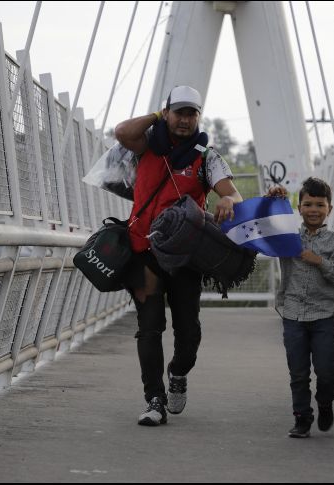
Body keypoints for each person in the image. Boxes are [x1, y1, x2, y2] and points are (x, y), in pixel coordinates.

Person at [114, 85, 243, 426]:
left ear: (199, 117)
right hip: (144, 253)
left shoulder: (206, 157)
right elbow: (122, 132)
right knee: (150, 326)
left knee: (189, 332)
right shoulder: (146, 147)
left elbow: (233, 194)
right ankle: (154, 399)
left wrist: (228, 200)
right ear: (167, 113)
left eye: (192, 113)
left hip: (186, 256)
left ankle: (178, 371)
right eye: (179, 112)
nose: (185, 120)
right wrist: (156, 116)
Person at [266, 177, 334, 438]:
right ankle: (302, 417)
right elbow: (267, 226)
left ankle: (324, 403)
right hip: (292, 314)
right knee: (298, 372)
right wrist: (273, 198)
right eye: (308, 204)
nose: (314, 209)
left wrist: (319, 261)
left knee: (325, 370)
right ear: (299, 208)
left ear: (329, 209)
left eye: (320, 205)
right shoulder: (288, 235)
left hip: (323, 315)